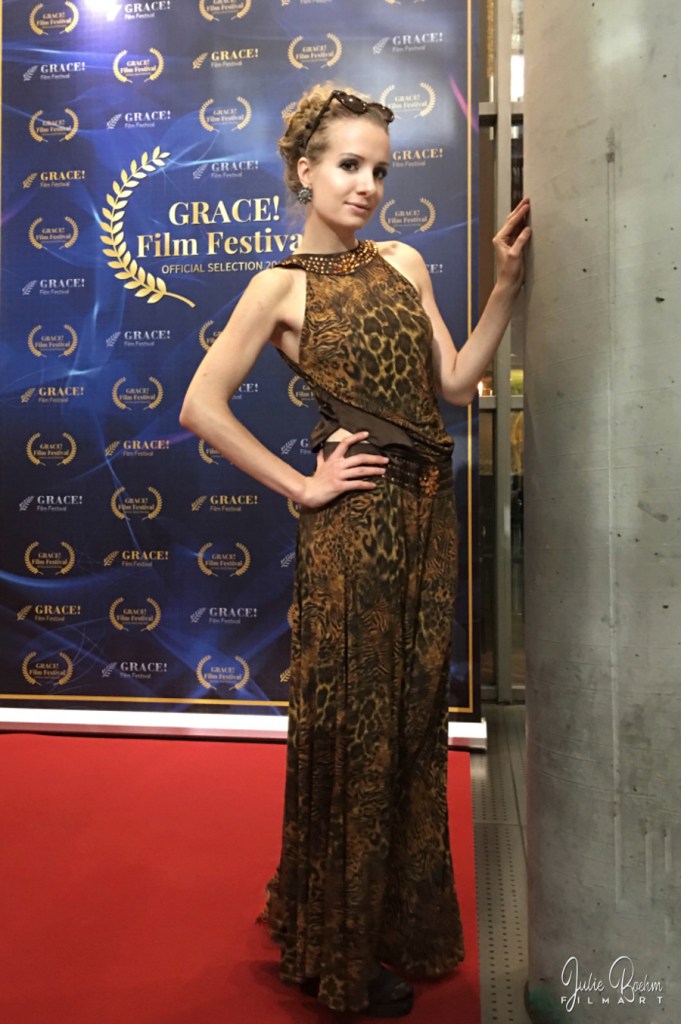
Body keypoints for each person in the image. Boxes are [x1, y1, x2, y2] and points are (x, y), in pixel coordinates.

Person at [180, 83, 531, 1018]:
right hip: (356, 532)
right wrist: (302, 486)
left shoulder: (405, 263)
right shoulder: (279, 286)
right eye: (347, 165)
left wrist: (502, 288)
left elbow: (454, 384)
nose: (366, 184)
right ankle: (338, 946)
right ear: (305, 170)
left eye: (378, 168)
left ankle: (392, 921)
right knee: (356, 733)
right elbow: (199, 406)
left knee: (410, 726)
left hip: (425, 519)